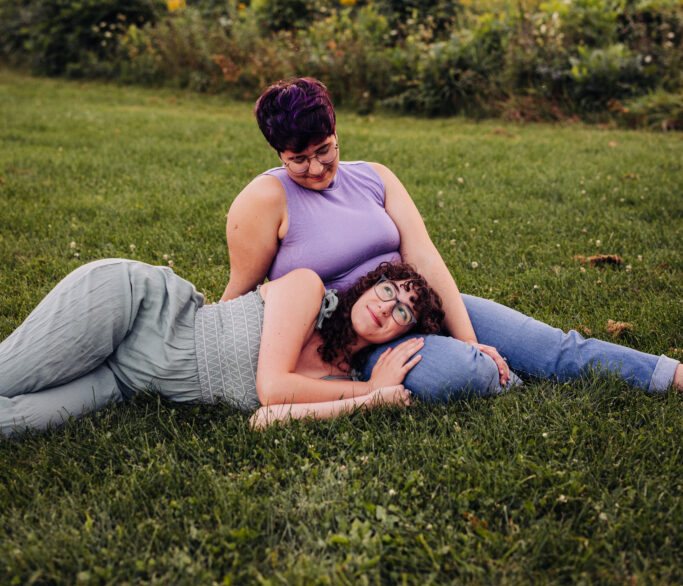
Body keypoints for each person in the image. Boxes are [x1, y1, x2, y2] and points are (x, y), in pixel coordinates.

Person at [223, 77, 682, 399]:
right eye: (297, 160)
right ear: (277, 153)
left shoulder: (375, 178)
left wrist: (468, 337)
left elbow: (423, 256)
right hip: (358, 341)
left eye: (325, 151)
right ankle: (500, 377)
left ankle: (670, 375)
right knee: (461, 374)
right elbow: (240, 292)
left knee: (552, 346)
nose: (317, 168)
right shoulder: (265, 200)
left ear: (337, 131)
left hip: (416, 303)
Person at [0, 257, 444, 438]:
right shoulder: (308, 291)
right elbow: (272, 387)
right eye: (389, 291)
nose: (388, 309)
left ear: (402, 335)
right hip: (133, 307)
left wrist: (368, 400)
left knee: (12, 424)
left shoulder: (338, 382)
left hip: (123, 380)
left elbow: (265, 419)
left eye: (404, 313)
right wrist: (372, 392)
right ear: (369, 287)